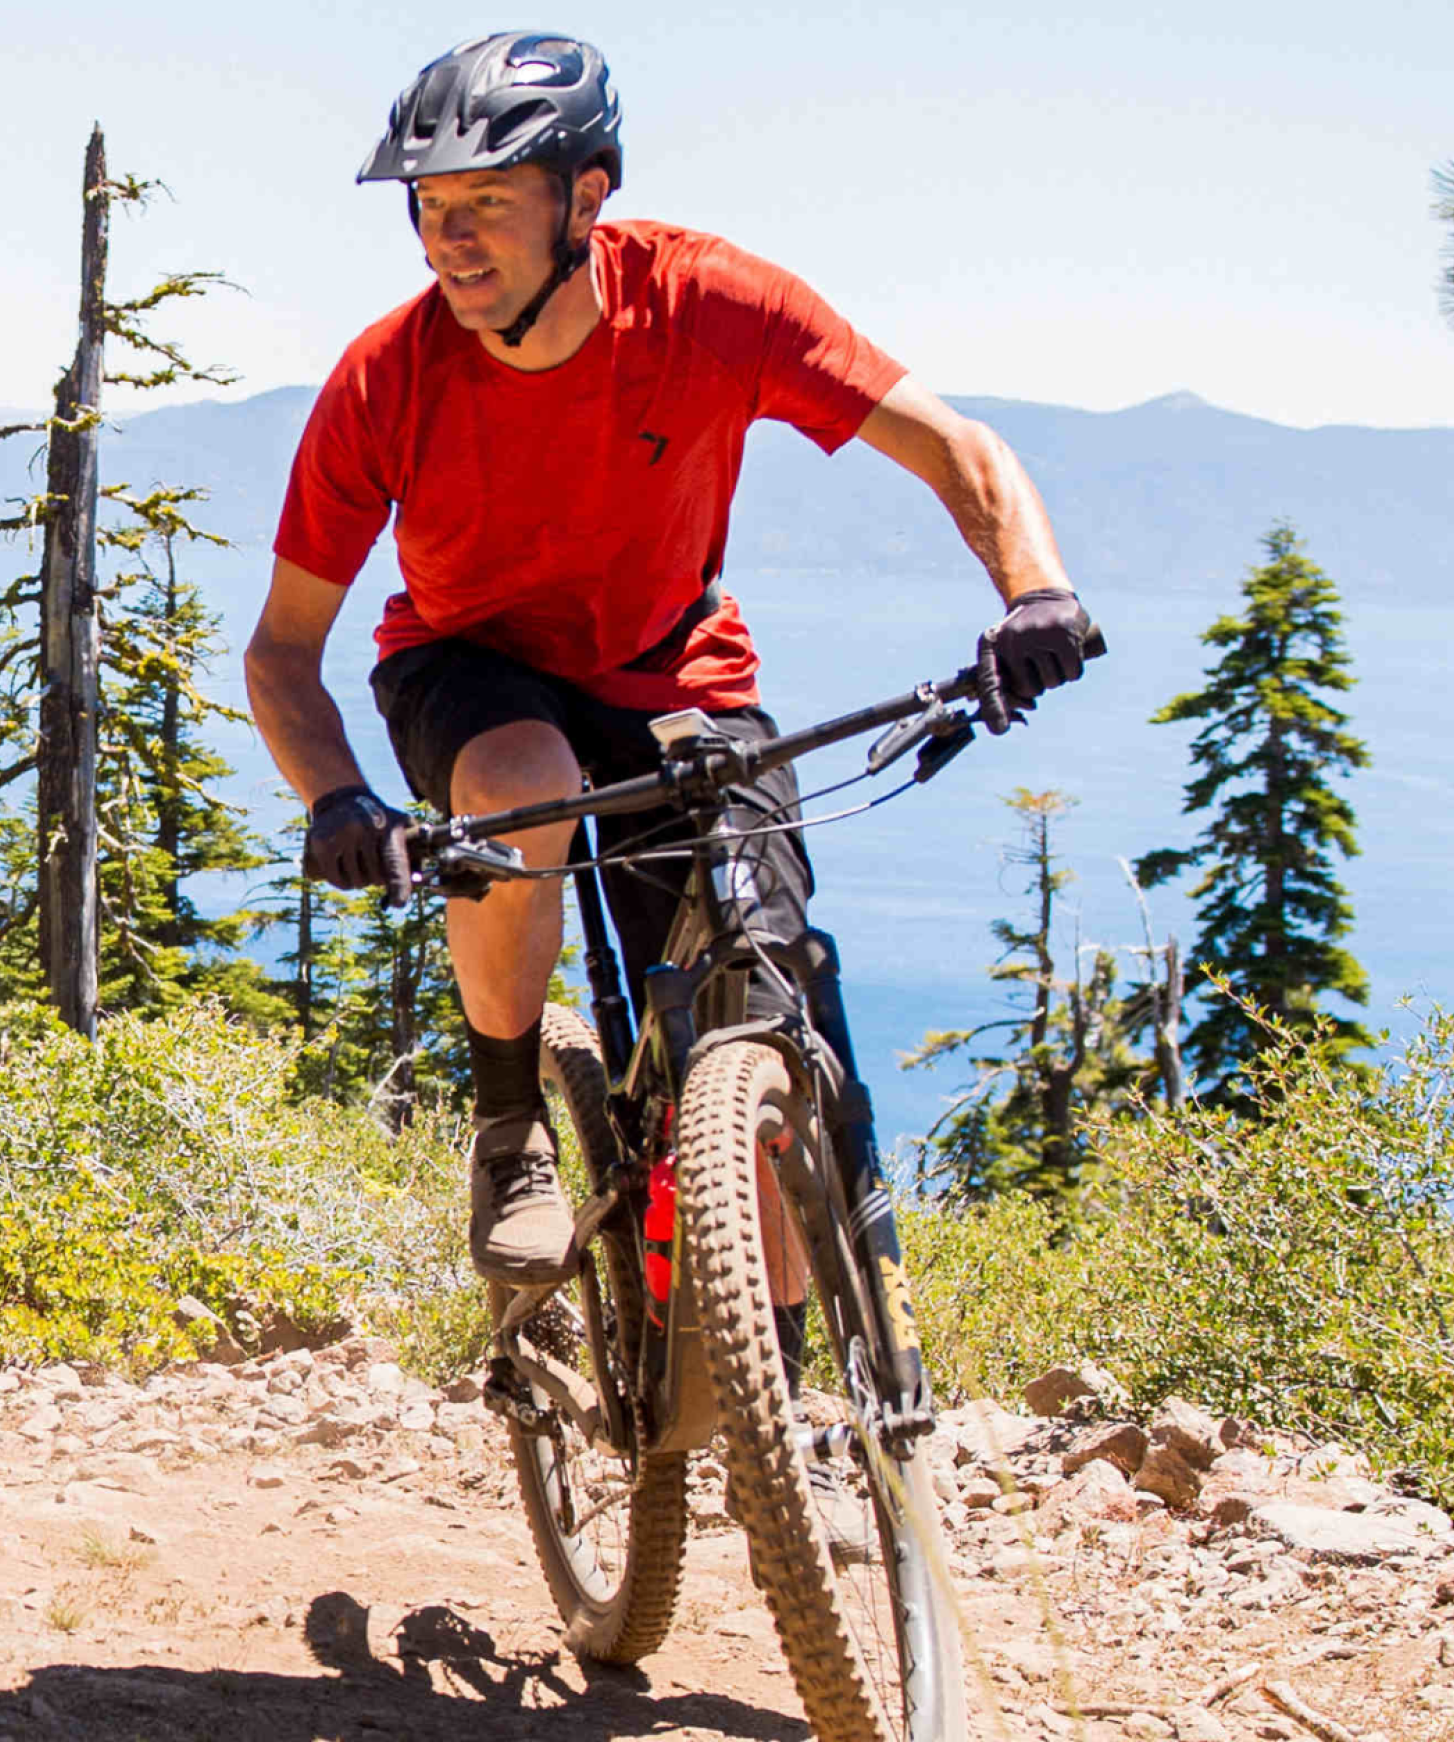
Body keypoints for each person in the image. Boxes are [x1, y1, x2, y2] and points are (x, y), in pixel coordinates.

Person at [244, 31, 1095, 1290]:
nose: (448, 240)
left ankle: (778, 1357)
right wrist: (336, 799)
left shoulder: (709, 304)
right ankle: (507, 1127)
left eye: (486, 202)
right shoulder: (387, 378)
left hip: (672, 671)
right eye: (429, 207)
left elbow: (954, 445)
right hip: (466, 663)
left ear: (586, 196)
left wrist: (1035, 590)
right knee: (522, 775)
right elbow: (280, 651)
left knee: (764, 993)